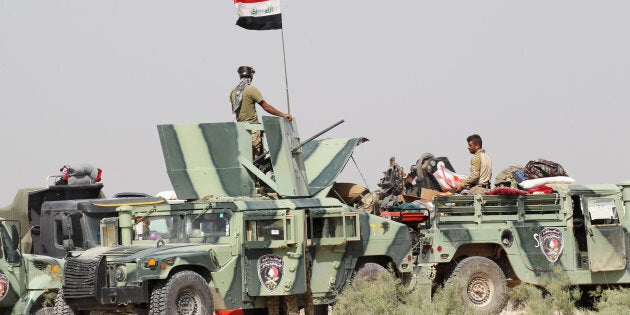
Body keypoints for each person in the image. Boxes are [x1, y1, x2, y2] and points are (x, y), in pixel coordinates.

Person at [229, 65, 293, 158]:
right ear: (251, 75)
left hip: (240, 132)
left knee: (247, 159)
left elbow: (234, 112)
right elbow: (266, 107)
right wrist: (283, 115)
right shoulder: (251, 90)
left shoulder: (233, 92)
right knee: (257, 161)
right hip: (253, 131)